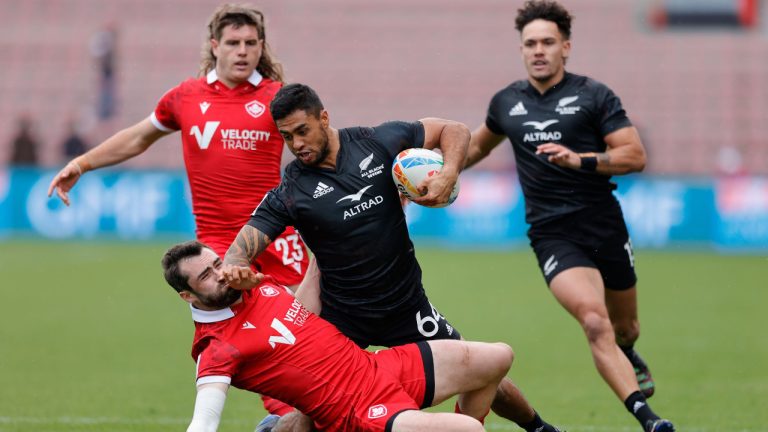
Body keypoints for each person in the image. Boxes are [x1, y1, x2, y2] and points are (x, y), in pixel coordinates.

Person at [224, 83, 561, 432]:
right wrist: (235, 268)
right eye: (286, 137)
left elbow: (454, 130)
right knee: (314, 415)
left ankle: (539, 428)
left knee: (480, 369)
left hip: (406, 306)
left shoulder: (377, 141)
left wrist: (449, 173)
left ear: (324, 118)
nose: (296, 145)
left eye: (302, 131)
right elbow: (241, 247)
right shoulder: (292, 189)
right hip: (343, 319)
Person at [464, 2, 674, 431]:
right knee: (594, 321)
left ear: (566, 47)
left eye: (547, 42)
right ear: (521, 50)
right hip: (552, 234)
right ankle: (649, 420)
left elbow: (634, 156)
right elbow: (475, 148)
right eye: (530, 44)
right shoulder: (506, 102)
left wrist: (580, 161)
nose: (538, 51)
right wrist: (432, 172)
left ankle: (629, 351)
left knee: (625, 326)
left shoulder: (595, 96)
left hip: (603, 225)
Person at [47, 4, 308, 289]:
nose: (242, 51)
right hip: (217, 243)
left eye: (250, 43)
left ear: (261, 46)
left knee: (303, 324)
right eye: (233, 43)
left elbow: (315, 147)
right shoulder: (186, 97)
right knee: (228, 327)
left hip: (274, 235)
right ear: (215, 46)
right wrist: (81, 163)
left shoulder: (279, 97)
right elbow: (138, 137)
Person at [162, 240, 513, 432]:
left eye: (217, 263)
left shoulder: (256, 285)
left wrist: (321, 237)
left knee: (498, 357)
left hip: (377, 369)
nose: (220, 274)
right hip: (355, 411)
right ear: (188, 296)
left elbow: (302, 308)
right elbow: (204, 421)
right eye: (206, 276)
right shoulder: (215, 348)